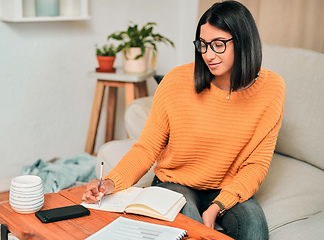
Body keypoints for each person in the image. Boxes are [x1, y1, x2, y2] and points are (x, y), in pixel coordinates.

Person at [82, 1, 285, 239]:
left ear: (243, 41)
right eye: (203, 45)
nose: (208, 55)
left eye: (218, 45)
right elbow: (147, 149)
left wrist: (217, 207)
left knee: (255, 228)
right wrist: (110, 183)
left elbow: (256, 166)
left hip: (227, 185)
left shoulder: (272, 89)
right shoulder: (176, 81)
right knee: (191, 232)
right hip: (175, 182)